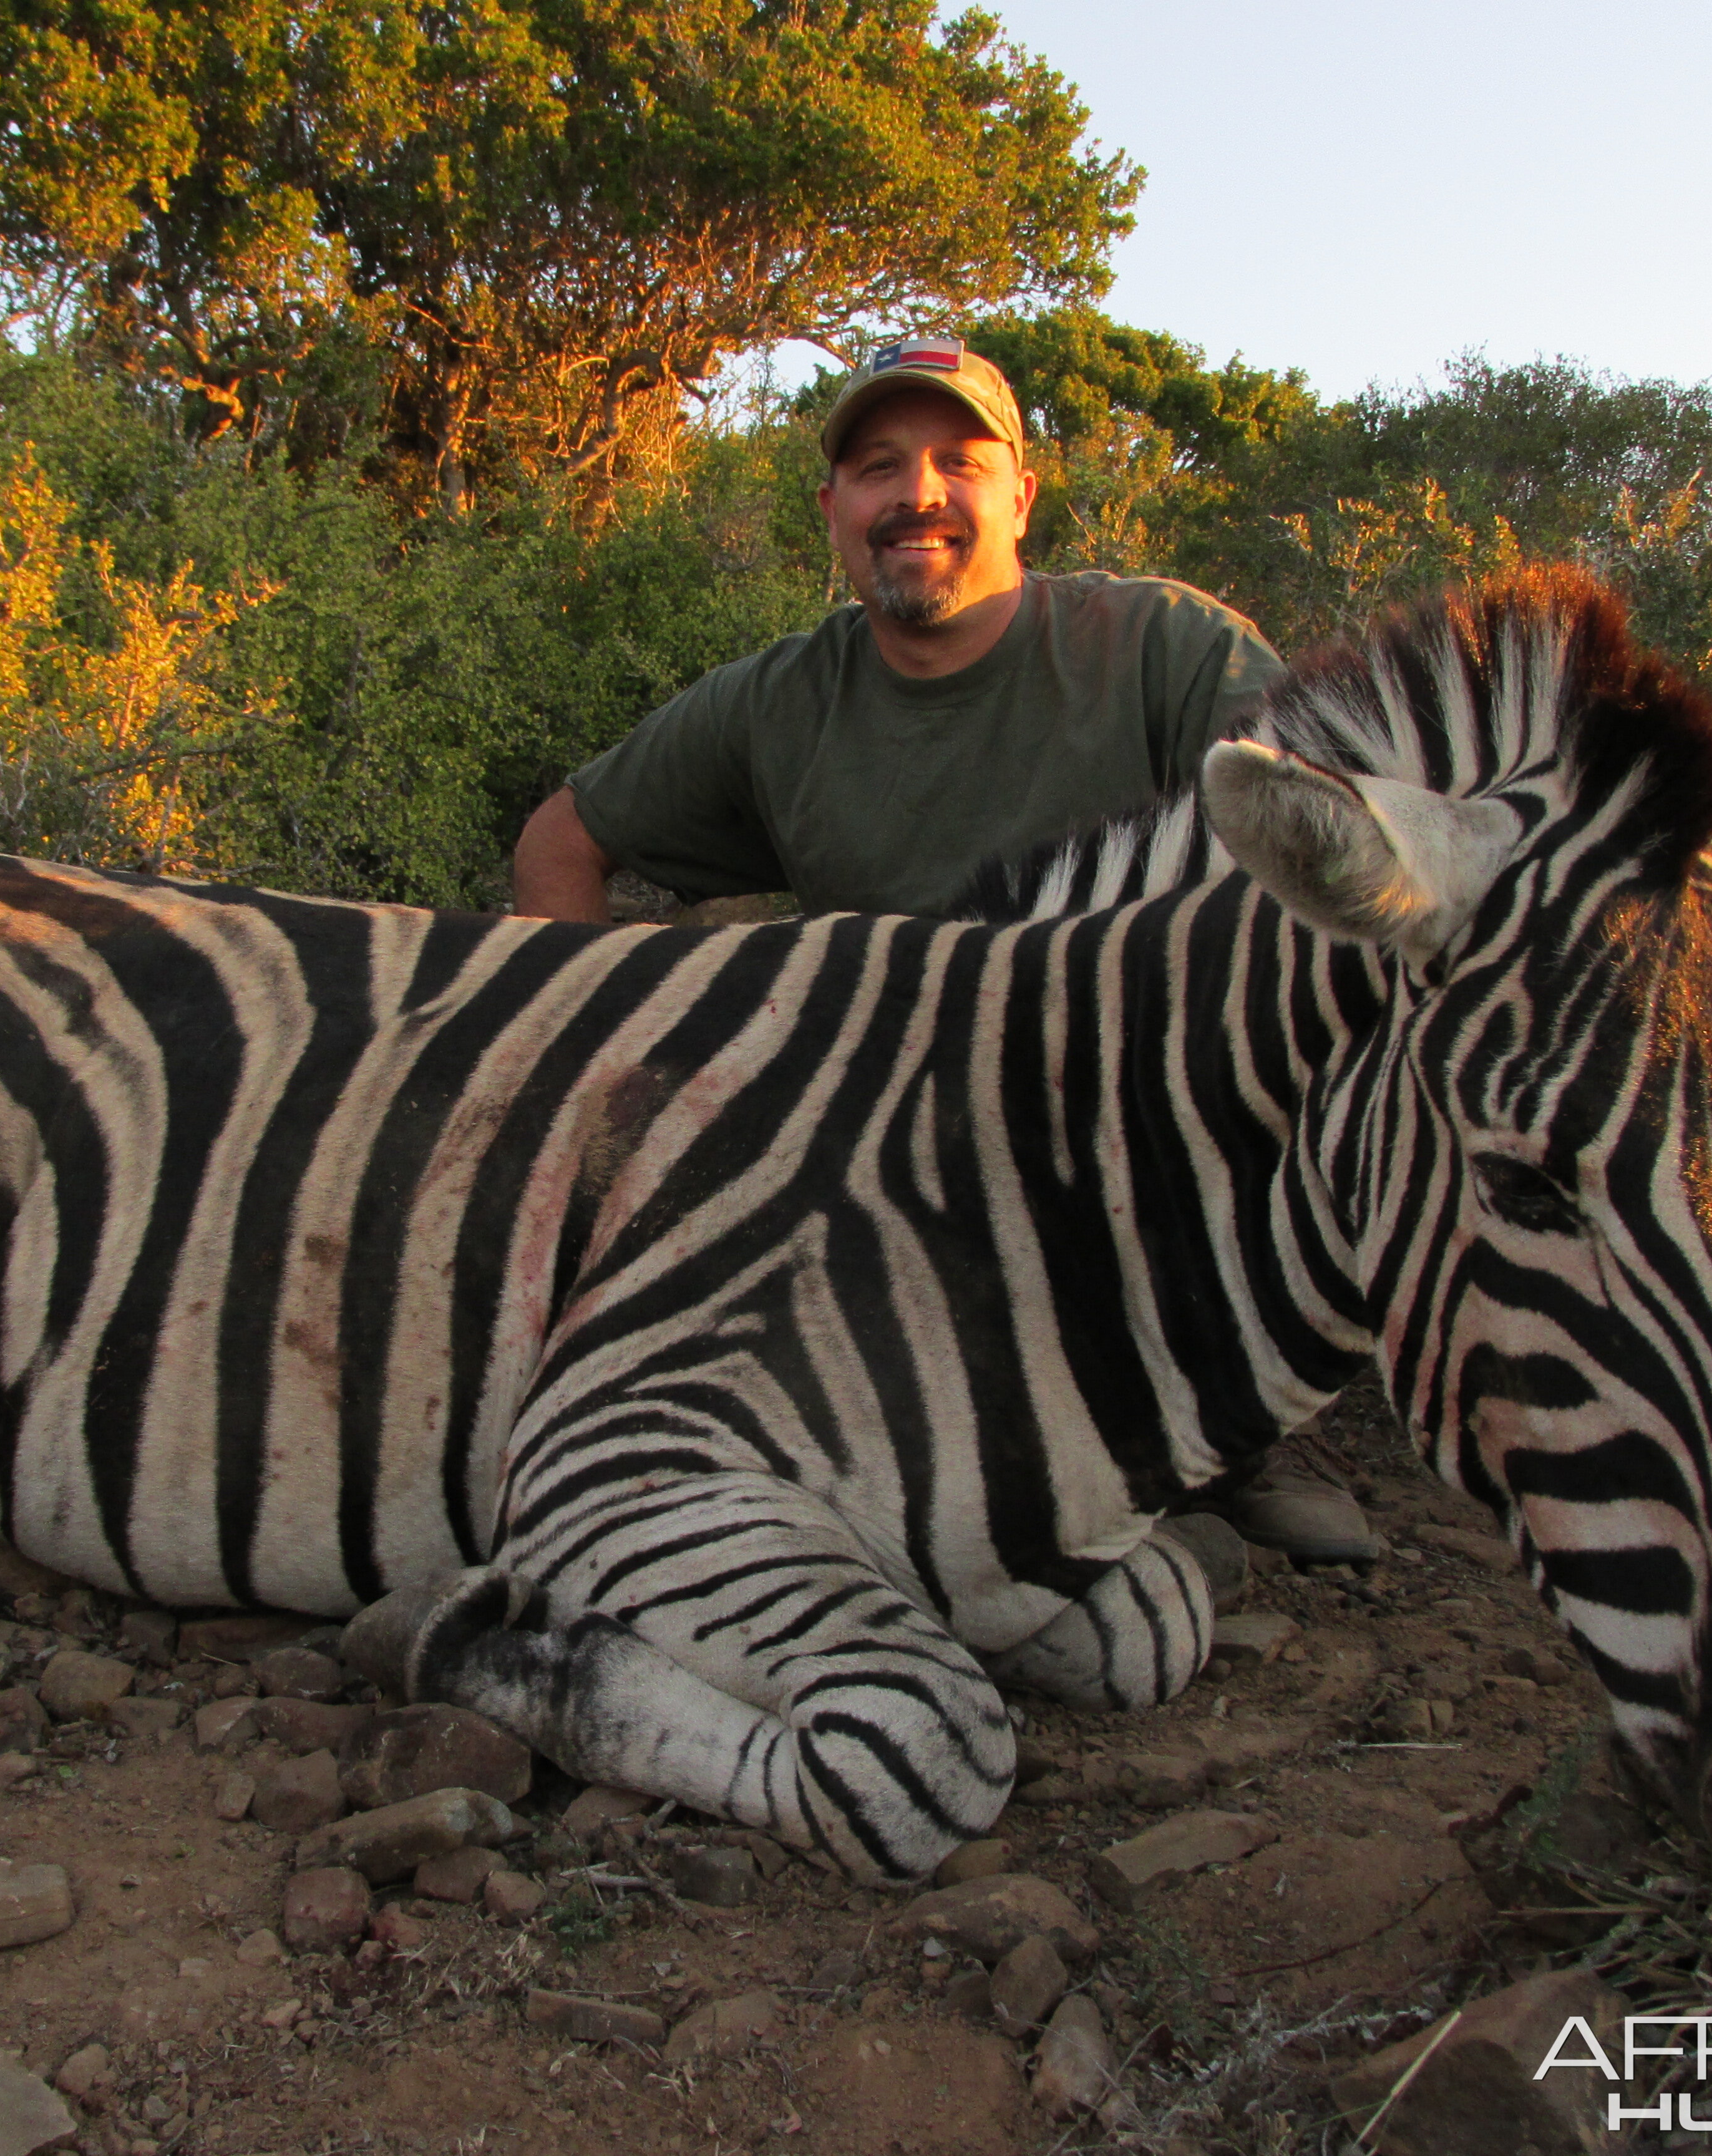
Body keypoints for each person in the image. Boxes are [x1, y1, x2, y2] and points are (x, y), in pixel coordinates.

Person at [511, 334, 1379, 1565]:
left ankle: (1241, 1426)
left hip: (1138, 1162)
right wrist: (594, 1076)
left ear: (1021, 495)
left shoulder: (1164, 649)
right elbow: (562, 840)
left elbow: (1336, 831)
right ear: (832, 511)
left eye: (958, 462)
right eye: (877, 467)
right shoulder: (778, 702)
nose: (915, 494)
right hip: (882, 1176)